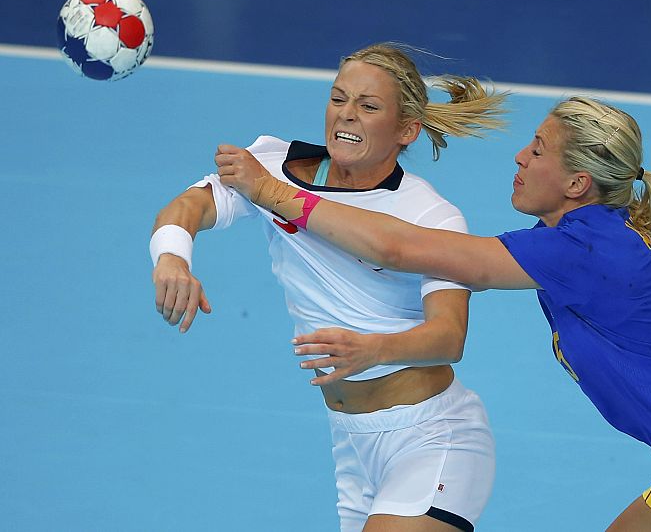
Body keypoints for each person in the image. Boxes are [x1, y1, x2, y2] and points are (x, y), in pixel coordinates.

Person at [239, 96, 651, 531]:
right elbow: (423, 272)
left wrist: (278, 195)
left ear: (577, 183)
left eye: (537, 148)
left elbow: (402, 250)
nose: (519, 156)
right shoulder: (577, 241)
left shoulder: (585, 250)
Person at [149, 43, 507, 532]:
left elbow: (449, 336)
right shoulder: (273, 167)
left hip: (432, 437)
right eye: (339, 98)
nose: (347, 115)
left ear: (407, 130)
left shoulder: (430, 216)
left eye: (369, 106)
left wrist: (375, 349)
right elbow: (189, 207)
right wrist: (172, 256)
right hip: (352, 444)